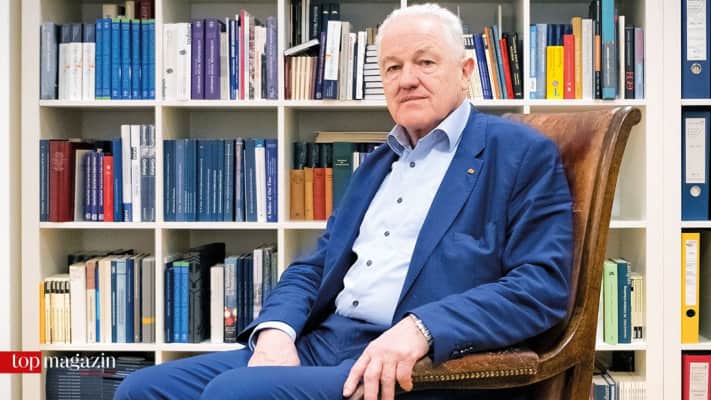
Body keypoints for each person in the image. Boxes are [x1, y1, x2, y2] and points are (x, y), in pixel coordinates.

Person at [115, 3, 573, 400]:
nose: (407, 80)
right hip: (326, 340)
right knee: (143, 389)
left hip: (418, 363)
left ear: (466, 71)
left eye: (426, 62)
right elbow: (316, 265)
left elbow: (540, 287)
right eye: (392, 68)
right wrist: (277, 331)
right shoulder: (378, 163)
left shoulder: (517, 152)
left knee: (234, 393)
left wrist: (422, 328)